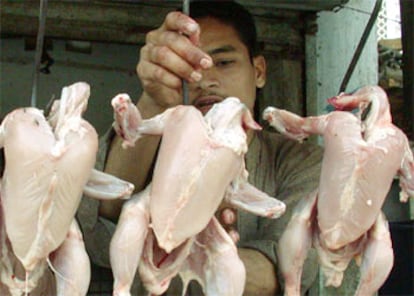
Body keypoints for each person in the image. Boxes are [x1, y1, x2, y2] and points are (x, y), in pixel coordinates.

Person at [77, 1, 322, 295]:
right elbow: (101, 223)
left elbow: (293, 266)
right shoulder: (156, 149)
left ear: (258, 71)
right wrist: (155, 98)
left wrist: (195, 257)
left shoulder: (300, 160)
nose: (205, 81)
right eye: (190, 67)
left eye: (224, 62)